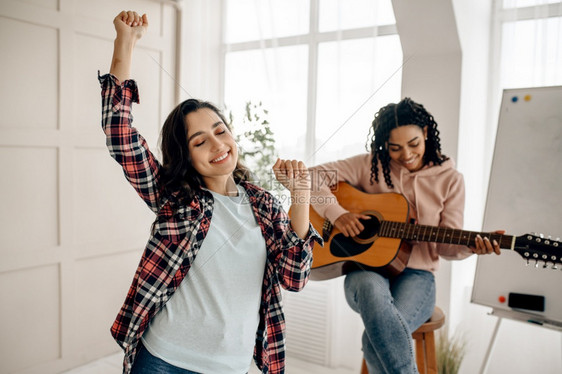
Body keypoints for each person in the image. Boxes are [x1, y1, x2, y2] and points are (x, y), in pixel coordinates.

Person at [101, 11, 322, 374]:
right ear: (186, 157)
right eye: (200, 141)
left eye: (221, 131)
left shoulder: (263, 206)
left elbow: (294, 277)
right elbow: (119, 132)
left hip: (229, 366)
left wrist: (301, 195)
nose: (217, 145)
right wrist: (125, 42)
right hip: (162, 360)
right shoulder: (176, 199)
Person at [309, 97, 502, 373]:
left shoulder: (451, 180)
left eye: (413, 144)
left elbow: (446, 245)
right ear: (384, 144)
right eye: (395, 148)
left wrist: (470, 247)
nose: (406, 155)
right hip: (365, 270)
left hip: (418, 275)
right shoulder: (370, 165)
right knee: (368, 289)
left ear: (425, 133)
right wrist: (337, 213)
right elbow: (306, 177)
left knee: (376, 337)